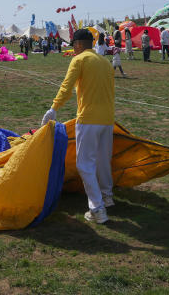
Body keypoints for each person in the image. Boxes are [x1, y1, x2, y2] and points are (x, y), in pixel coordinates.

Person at [41, 29, 115, 224]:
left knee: (85, 164)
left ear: (79, 44)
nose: (73, 48)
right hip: (107, 120)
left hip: (89, 119)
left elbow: (66, 86)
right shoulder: (105, 62)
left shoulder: (79, 60)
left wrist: (54, 108)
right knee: (103, 161)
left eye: (74, 44)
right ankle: (107, 197)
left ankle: (97, 208)